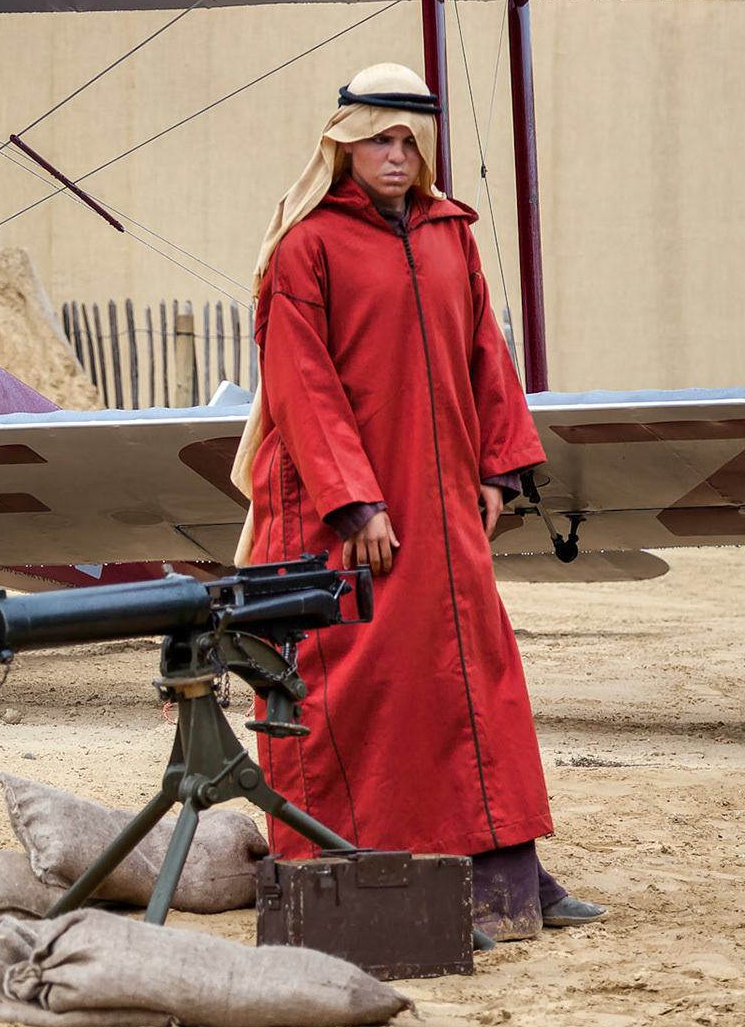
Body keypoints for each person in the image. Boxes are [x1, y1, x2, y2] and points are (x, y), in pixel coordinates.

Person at [231, 63, 606, 941]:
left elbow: (485, 350)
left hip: (443, 504)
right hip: (351, 515)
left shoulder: (450, 237)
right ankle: (361, 882)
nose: (395, 155)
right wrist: (354, 504)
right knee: (358, 685)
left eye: (408, 140)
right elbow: (301, 384)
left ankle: (506, 875)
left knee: (475, 677)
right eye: (377, 140)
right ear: (342, 145)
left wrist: (500, 469)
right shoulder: (305, 246)